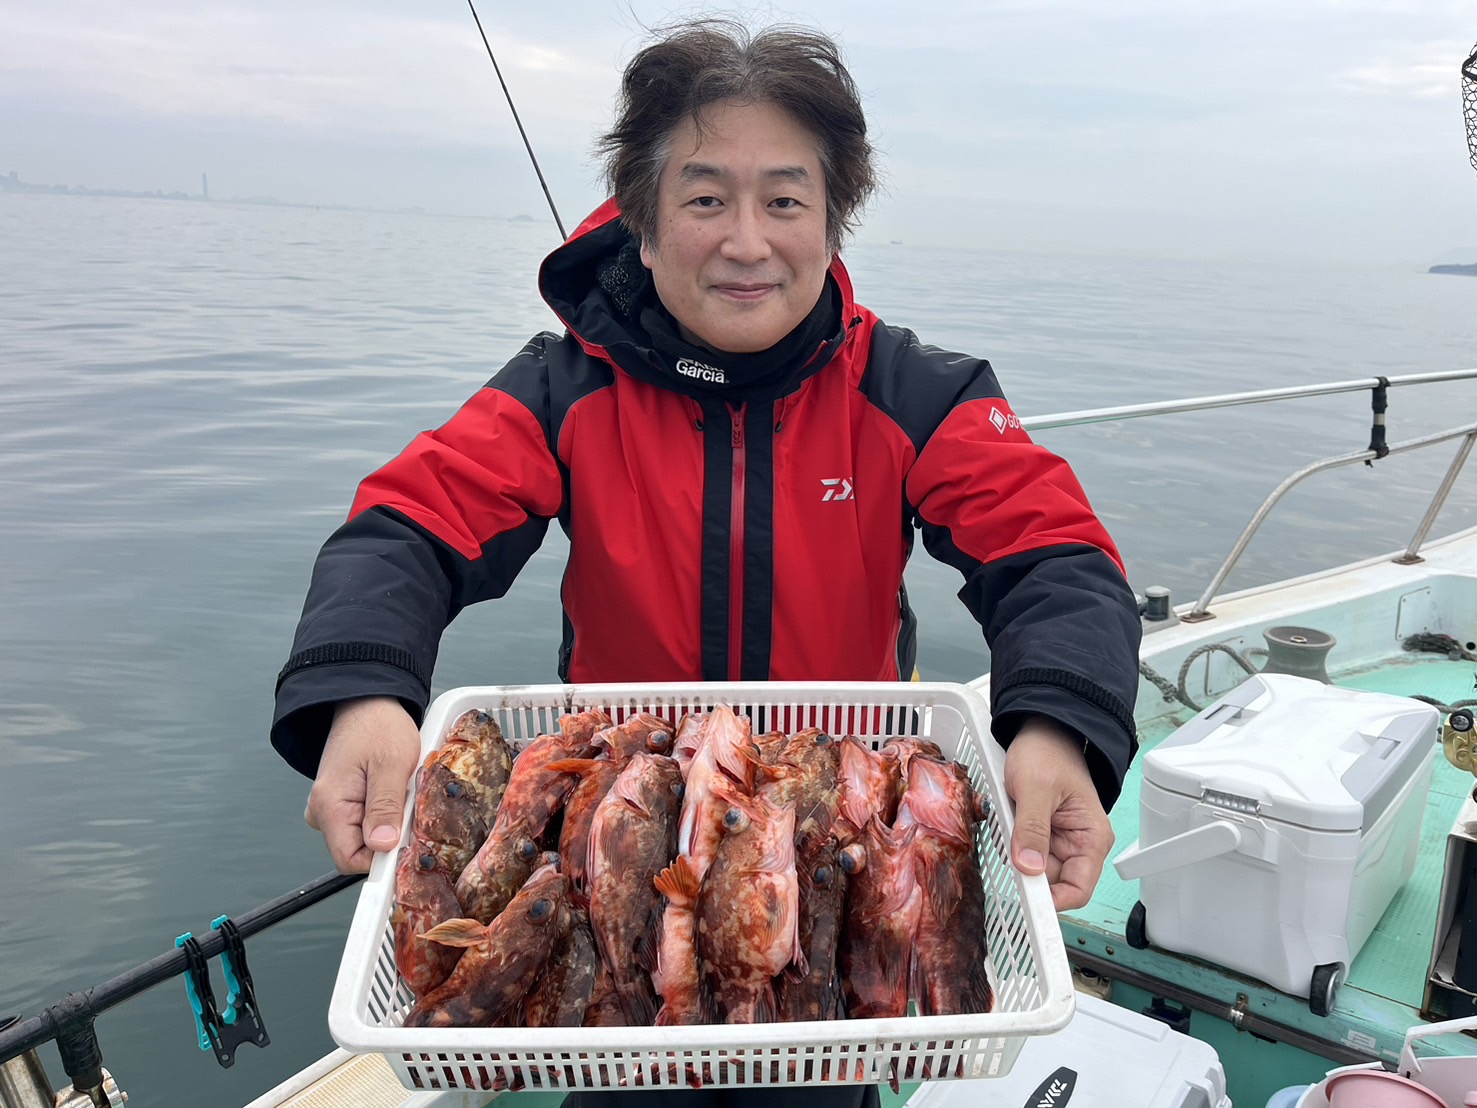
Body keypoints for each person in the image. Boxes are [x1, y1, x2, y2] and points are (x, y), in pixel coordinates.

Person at [271, 19, 1141, 1108]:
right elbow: (405, 527)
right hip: (621, 823)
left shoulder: (915, 390)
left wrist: (1060, 726)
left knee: (819, 1069)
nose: (745, 242)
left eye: (784, 200)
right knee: (619, 1039)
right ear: (639, 224)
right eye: (703, 199)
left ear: (832, 221)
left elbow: (1054, 554)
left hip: (824, 836)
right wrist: (362, 691)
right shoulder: (565, 387)